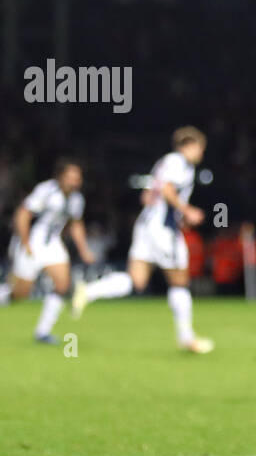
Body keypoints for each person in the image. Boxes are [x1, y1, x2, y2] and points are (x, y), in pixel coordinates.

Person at [72, 127, 213, 354]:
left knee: (135, 281)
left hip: (146, 225)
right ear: (190, 145)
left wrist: (174, 209)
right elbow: (166, 189)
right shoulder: (179, 163)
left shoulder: (164, 163)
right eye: (200, 148)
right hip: (162, 230)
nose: (201, 154)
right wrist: (186, 210)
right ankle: (187, 338)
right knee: (179, 282)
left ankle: (89, 291)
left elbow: (149, 193)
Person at [0, 159, 94, 343]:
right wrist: (25, 243)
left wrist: (84, 249)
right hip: (33, 241)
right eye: (71, 177)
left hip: (53, 244)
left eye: (77, 178)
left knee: (62, 285)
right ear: (61, 177)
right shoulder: (46, 191)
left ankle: (43, 332)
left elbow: (75, 224)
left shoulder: (77, 199)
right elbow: (23, 214)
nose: (74, 182)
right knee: (20, 293)